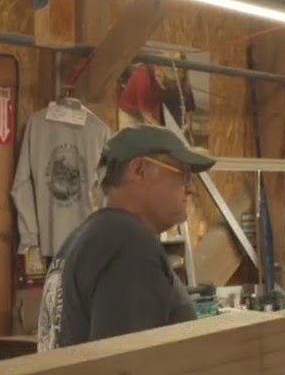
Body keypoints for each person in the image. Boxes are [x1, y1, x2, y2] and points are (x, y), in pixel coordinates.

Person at [37, 125, 215, 351]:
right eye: (183, 174)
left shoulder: (84, 236)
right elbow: (125, 372)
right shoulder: (130, 244)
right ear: (139, 169)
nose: (191, 189)